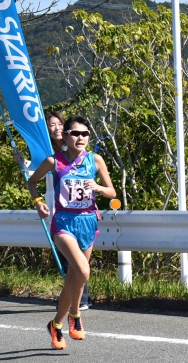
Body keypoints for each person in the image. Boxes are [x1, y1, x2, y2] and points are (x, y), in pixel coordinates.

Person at [27, 115, 116, 350]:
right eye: (75, 133)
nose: (81, 138)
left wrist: (98, 187)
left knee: (72, 280)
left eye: (85, 134)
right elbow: (31, 181)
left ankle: (55, 325)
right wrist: (38, 202)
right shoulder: (53, 161)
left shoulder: (95, 160)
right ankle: (74, 316)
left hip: (88, 223)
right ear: (65, 136)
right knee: (83, 272)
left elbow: (112, 192)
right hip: (63, 223)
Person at [14, 111, 92, 310]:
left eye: (59, 124)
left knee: (80, 258)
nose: (56, 128)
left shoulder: (76, 148)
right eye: (51, 125)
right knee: (68, 254)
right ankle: (76, 301)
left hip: (81, 211)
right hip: (55, 207)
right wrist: (23, 164)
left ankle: (80, 298)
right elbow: (33, 175)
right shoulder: (45, 153)